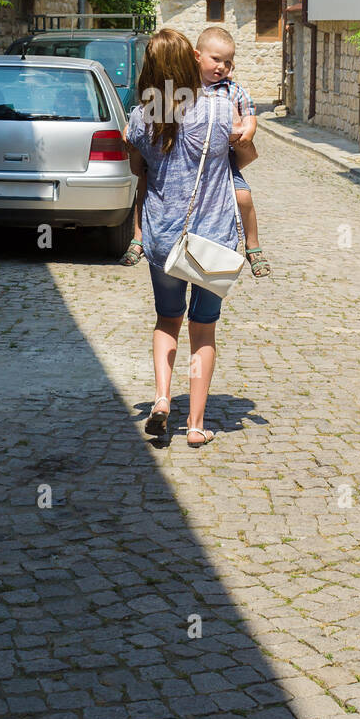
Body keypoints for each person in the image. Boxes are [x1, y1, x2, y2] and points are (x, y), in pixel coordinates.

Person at [124, 28, 241, 447]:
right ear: (191, 61)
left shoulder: (142, 115)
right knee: (203, 329)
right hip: (213, 238)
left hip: (161, 237)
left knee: (167, 320)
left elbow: (136, 166)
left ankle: (160, 400)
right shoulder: (220, 108)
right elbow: (244, 149)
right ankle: (195, 425)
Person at [120, 26, 271, 277]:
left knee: (242, 196)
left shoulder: (230, 92)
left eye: (228, 62)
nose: (222, 67)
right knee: (143, 187)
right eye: (216, 59)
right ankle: (138, 236)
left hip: (223, 160)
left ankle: (253, 245)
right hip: (209, 228)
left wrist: (246, 133)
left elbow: (248, 119)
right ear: (195, 57)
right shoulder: (191, 92)